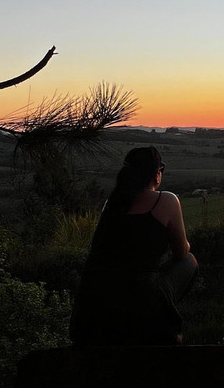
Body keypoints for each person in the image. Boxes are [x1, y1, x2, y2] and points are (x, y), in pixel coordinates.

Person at [70, 146, 197, 346]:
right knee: (189, 261)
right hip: (140, 301)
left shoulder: (111, 204)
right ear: (156, 174)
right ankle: (165, 323)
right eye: (160, 170)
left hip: (91, 306)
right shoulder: (167, 200)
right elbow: (181, 252)